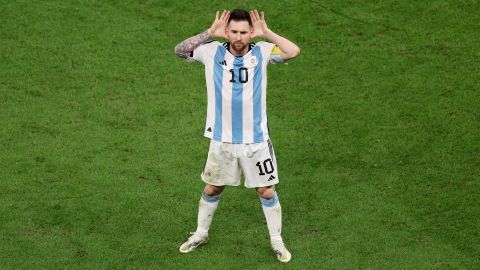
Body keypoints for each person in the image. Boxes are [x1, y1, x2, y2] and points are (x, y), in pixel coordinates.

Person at [174, 8, 300, 263]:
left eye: (244, 32)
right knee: (212, 187)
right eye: (234, 32)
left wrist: (269, 33)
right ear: (227, 31)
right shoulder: (211, 51)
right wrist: (209, 33)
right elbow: (180, 50)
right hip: (222, 139)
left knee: (266, 191)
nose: (239, 37)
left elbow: (292, 51)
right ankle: (200, 233)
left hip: (256, 140)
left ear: (251, 32)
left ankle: (277, 241)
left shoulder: (263, 51)